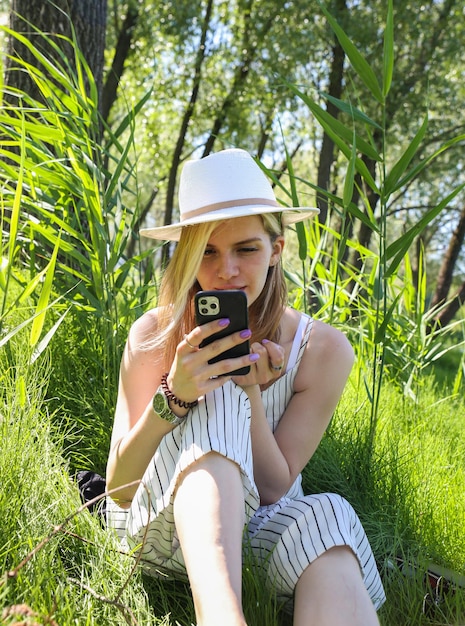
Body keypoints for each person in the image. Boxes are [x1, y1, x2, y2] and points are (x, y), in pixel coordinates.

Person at [106, 148, 386, 626]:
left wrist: (251, 392)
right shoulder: (154, 334)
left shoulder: (322, 351)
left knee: (330, 514)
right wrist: (175, 395)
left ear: (276, 250)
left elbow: (277, 488)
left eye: (246, 249)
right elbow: (119, 488)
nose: (227, 271)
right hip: (156, 524)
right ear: (188, 257)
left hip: (256, 530)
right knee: (218, 404)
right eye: (208, 252)